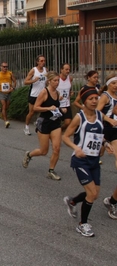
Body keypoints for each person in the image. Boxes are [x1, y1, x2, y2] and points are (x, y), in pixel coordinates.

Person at [62, 86, 116, 237]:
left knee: (95, 194)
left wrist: (106, 144)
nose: (94, 101)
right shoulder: (79, 118)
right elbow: (65, 137)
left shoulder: (99, 115)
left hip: (94, 160)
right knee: (91, 193)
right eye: (90, 99)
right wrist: (75, 148)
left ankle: (72, 201)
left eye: (95, 98)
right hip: (80, 161)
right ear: (84, 101)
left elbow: (99, 136)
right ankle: (82, 224)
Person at [22, 71, 65, 180]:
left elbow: (55, 108)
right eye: (55, 80)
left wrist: (61, 109)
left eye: (58, 80)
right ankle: (29, 155)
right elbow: (35, 107)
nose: (57, 83)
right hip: (44, 122)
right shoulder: (44, 92)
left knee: (56, 148)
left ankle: (51, 171)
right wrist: (48, 108)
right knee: (44, 151)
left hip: (55, 123)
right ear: (49, 81)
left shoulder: (58, 93)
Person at [97, 74, 117, 220]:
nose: (116, 86)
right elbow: (97, 112)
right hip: (103, 131)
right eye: (114, 83)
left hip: (115, 132)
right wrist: (108, 118)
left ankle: (112, 202)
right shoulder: (105, 96)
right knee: (98, 154)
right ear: (109, 84)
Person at [23, 55, 47, 135]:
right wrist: (34, 80)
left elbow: (46, 82)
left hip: (42, 94)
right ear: (37, 62)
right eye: (41, 61)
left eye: (44, 61)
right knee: (32, 112)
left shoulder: (45, 70)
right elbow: (25, 82)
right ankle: (26, 127)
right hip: (34, 94)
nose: (43, 62)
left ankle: (38, 124)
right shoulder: (33, 70)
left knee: (42, 111)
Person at [0, 61, 16, 128]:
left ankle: (0, 110)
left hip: (8, 92)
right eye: (4, 67)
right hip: (1, 92)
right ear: (1, 67)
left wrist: (13, 87)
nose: (5, 68)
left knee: (7, 106)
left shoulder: (10, 73)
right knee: (4, 105)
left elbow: (14, 81)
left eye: (6, 67)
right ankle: (6, 121)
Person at [57, 63, 74, 130]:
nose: (68, 71)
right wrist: (57, 96)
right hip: (57, 104)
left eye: (69, 69)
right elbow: (51, 90)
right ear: (61, 70)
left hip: (66, 104)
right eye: (66, 69)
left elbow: (69, 87)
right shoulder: (57, 79)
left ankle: (60, 130)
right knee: (56, 122)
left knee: (68, 122)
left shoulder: (70, 78)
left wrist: (70, 92)